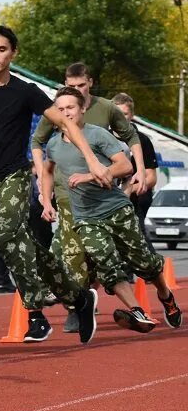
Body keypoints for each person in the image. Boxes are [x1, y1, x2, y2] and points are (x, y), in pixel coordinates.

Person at [0, 25, 103, 343]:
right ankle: (80, 298)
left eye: (2, 49)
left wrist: (92, 158)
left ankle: (35, 314)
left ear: (13, 53)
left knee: (5, 238)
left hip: (15, 177)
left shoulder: (25, 91)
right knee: (26, 247)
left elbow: (65, 123)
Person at [41, 87, 181, 338]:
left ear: (83, 108)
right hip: (85, 217)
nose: (65, 113)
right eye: (60, 109)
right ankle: (138, 312)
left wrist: (87, 175)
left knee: (145, 264)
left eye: (70, 107)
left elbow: (125, 165)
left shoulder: (98, 135)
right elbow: (48, 170)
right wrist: (46, 201)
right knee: (107, 266)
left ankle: (166, 296)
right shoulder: (53, 144)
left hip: (115, 210)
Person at [31, 63, 144, 329]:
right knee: (72, 255)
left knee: (99, 255)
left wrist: (139, 170)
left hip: (102, 197)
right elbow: (38, 144)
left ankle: (95, 301)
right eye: (72, 84)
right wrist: (43, 193)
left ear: (89, 84)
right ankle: (77, 307)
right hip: (68, 196)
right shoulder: (58, 110)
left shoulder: (106, 109)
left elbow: (131, 135)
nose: (76, 90)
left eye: (81, 85)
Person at [113, 92, 159, 249]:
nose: (121, 117)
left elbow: (151, 177)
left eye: (124, 113)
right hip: (108, 199)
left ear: (131, 115)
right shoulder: (102, 137)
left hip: (135, 201)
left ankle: (154, 271)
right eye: (117, 113)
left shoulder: (142, 140)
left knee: (137, 243)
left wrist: (129, 189)